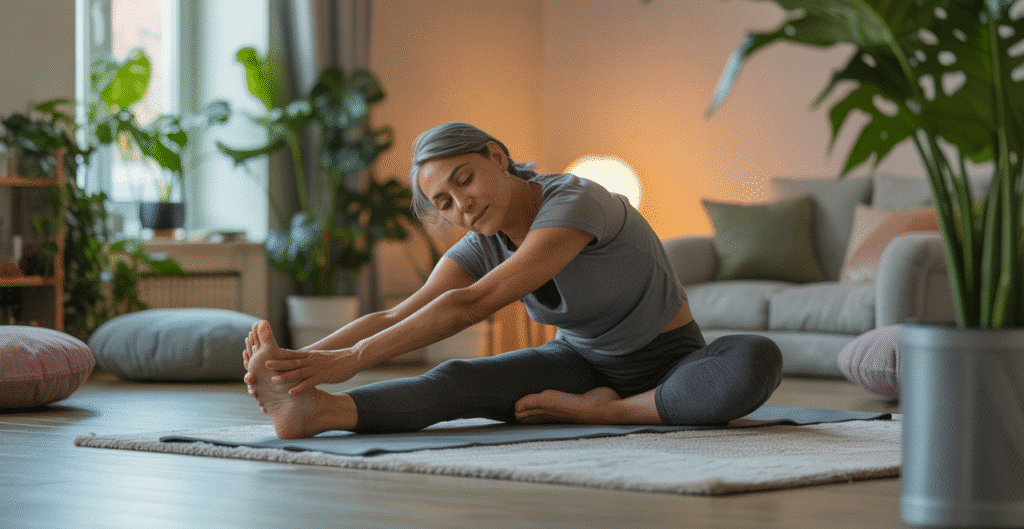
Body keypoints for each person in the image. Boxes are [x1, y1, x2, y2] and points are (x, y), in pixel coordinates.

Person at [243, 121, 783, 439]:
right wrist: (298, 364)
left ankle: (613, 411)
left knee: (754, 360)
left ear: (496, 157)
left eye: (466, 179)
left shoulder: (576, 200)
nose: (462, 203)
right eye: (444, 202)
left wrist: (351, 361)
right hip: (576, 365)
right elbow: (395, 313)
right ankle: (319, 413)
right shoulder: (482, 239)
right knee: (457, 380)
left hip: (672, 362)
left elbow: (471, 303)